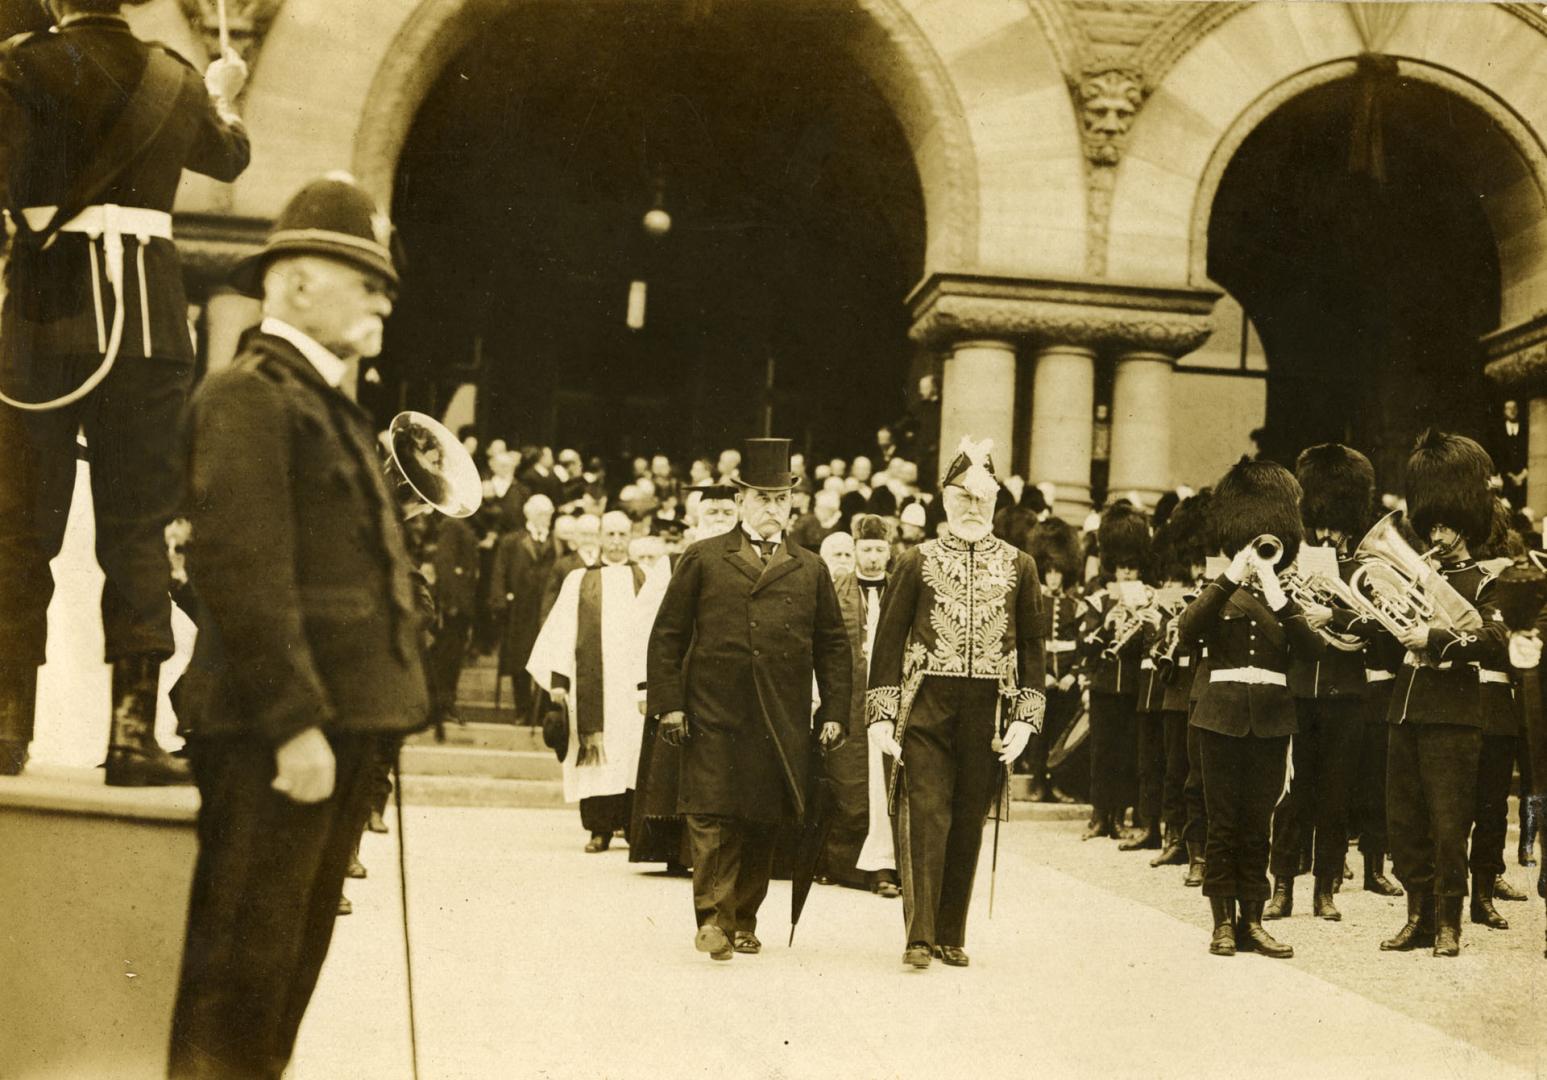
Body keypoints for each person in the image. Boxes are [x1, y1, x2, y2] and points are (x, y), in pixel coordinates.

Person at [168, 175, 425, 1077]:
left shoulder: (321, 400)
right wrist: (295, 725)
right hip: (281, 738)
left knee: (282, 978)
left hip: (336, 733)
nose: (383, 297)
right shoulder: (250, 396)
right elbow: (243, 574)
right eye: (366, 278)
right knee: (240, 980)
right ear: (298, 282)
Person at [0, 0, 250, 782]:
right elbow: (231, 157)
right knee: (136, 532)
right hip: (145, 323)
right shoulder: (176, 79)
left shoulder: (17, 64)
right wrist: (223, 91)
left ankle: (6, 729)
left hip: (44, 317)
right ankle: (131, 737)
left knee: (16, 528)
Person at [646, 437, 851, 961]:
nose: (770, 508)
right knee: (712, 813)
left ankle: (743, 918)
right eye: (760, 498)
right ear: (740, 502)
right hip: (714, 710)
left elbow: (832, 645)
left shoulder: (810, 568)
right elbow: (668, 635)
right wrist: (670, 703)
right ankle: (712, 918)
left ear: (791, 507)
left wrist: (833, 711)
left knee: (762, 817)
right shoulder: (704, 557)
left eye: (779, 499)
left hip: (777, 716)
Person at [866, 437, 1045, 969]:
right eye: (962, 498)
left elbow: (1032, 645)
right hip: (926, 704)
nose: (972, 508)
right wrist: (881, 711)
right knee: (928, 813)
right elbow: (889, 639)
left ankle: (950, 932)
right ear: (945, 500)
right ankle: (918, 935)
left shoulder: (1021, 566)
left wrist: (1028, 716)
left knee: (969, 816)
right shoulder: (916, 560)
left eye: (982, 500)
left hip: (989, 707)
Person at [1180, 458, 1323, 959]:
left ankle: (1254, 921)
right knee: (1223, 823)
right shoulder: (1219, 592)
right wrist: (1231, 574)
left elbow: (1311, 651)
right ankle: (1222, 922)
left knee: (1258, 824)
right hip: (1220, 716)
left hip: (1270, 720)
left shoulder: (1286, 596)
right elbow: (1187, 629)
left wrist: (1276, 588)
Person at [1380, 431, 1508, 958]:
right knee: (1404, 821)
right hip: (1406, 707)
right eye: (1430, 521)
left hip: (1454, 712)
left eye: (1446, 522)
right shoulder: (1413, 574)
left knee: (1450, 823)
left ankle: (1450, 922)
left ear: (1465, 522)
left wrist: (1433, 636)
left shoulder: (1483, 580)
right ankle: (1419, 917)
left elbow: (1496, 640)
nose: (1437, 531)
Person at [1264, 445, 1379, 923]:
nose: (1328, 532)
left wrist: (1335, 613)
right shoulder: (1288, 570)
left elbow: (1379, 627)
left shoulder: (1363, 571)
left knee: (1335, 796)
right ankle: (1282, 887)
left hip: (1346, 695)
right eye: (1322, 522)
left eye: (1335, 523)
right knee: (1291, 797)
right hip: (1297, 694)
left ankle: (1325, 890)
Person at [529, 511, 665, 852]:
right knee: (597, 757)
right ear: (600, 537)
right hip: (594, 685)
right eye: (611, 535)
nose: (617, 542)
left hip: (634, 686)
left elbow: (658, 632)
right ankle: (599, 830)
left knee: (632, 755)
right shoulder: (578, 579)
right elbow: (561, 632)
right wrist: (558, 682)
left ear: (632, 536)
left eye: (623, 535)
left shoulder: (647, 577)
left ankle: (633, 829)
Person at [824, 515, 898, 895]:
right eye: (866, 549)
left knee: (888, 780)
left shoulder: (900, 588)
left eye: (879, 550)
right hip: (848, 698)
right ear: (854, 550)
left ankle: (886, 866)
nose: (872, 557)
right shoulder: (836, 588)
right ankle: (848, 866)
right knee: (850, 780)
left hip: (891, 699)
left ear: (889, 551)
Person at [1080, 505, 1152, 841]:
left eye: (1132, 568)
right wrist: (1109, 626)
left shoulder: (1148, 599)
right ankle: (1098, 817)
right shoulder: (1099, 600)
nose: (1126, 573)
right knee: (1100, 753)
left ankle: (1120, 817)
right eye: (1122, 568)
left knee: (1126, 754)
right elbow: (1086, 643)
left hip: (1133, 687)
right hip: (1105, 685)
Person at [1023, 518, 1084, 803]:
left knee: (1061, 732)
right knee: (1040, 731)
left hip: (1067, 679)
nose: (1053, 578)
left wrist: (1072, 673)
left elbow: (1082, 645)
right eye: (1049, 573)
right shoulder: (1035, 602)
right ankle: (1038, 782)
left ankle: (1059, 783)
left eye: (1058, 573)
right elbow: (1032, 643)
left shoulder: (1076, 605)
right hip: (1043, 678)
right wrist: (1044, 673)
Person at [490, 493, 558, 722]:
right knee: (520, 659)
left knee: (547, 657)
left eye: (548, 514)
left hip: (547, 609)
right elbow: (498, 572)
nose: (545, 518)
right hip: (519, 609)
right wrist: (499, 601)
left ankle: (543, 710)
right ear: (529, 514)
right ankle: (523, 709)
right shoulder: (512, 541)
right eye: (541, 513)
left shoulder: (557, 543)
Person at [429, 511, 480, 737]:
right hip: (455, 607)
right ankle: (442, 704)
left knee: (452, 655)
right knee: (448, 655)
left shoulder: (459, 525)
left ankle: (445, 702)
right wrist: (451, 602)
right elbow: (445, 564)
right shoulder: (452, 525)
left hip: (461, 605)